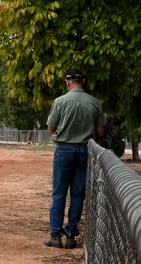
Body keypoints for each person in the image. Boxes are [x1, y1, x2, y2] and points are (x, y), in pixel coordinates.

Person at [44, 69, 105, 248]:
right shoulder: (94, 103)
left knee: (59, 193)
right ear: (83, 82)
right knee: (78, 194)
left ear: (68, 82)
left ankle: (56, 235)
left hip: (64, 150)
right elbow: (101, 131)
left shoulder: (60, 101)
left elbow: (51, 128)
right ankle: (71, 235)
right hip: (85, 151)